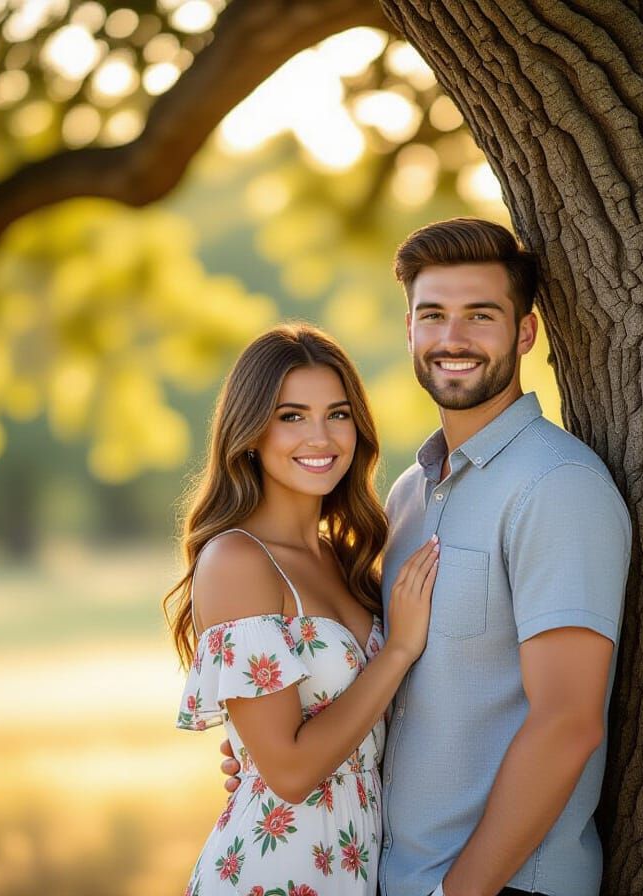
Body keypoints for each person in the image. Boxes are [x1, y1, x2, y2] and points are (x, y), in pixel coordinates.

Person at [224, 218, 632, 896]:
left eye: (480, 315)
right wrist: (266, 746)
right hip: (392, 874)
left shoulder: (556, 486)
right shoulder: (413, 496)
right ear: (410, 331)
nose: (453, 339)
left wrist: (458, 892)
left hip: (502, 885)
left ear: (525, 333)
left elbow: (568, 722)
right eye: (433, 315)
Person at [164, 324, 440, 895]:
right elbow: (289, 773)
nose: (321, 437)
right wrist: (399, 650)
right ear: (250, 434)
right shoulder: (238, 560)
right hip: (277, 873)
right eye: (292, 416)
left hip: (354, 865)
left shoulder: (347, 559)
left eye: (337, 414)